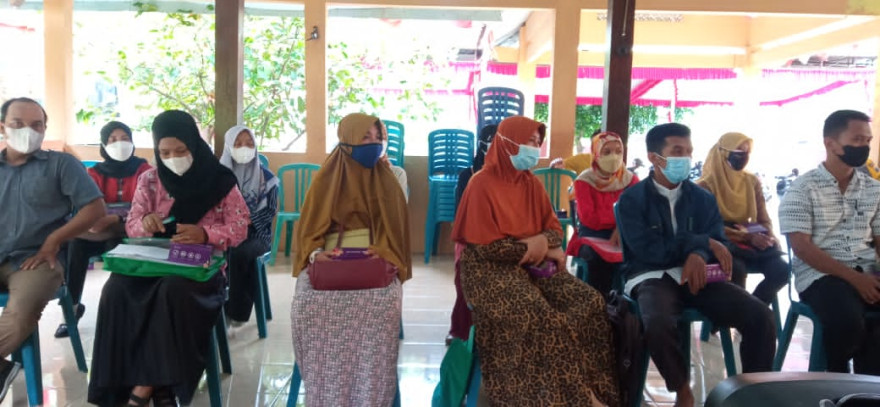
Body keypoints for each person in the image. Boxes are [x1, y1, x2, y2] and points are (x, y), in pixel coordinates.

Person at [453, 116, 618, 406]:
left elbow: (554, 230)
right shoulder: (481, 184)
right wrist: (537, 245)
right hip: (489, 271)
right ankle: (578, 399)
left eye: (537, 142)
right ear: (507, 143)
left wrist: (541, 244)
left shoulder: (530, 183)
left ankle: (595, 390)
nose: (534, 148)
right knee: (539, 314)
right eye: (528, 141)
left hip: (534, 266)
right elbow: (488, 248)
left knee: (589, 302)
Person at [88, 110, 249, 406]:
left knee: (171, 292)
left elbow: (240, 228)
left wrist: (205, 234)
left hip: (200, 270)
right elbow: (132, 223)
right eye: (164, 153)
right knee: (115, 290)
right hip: (152, 262)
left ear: (194, 145)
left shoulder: (220, 180)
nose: (173, 158)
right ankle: (122, 386)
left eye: (180, 150)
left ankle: (148, 387)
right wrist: (145, 222)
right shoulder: (150, 180)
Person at [616, 123, 776, 407]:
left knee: (760, 315)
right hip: (651, 275)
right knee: (657, 321)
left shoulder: (702, 198)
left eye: (689, 152)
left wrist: (700, 252)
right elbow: (649, 251)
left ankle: (755, 394)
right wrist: (700, 243)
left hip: (699, 275)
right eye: (677, 151)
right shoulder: (632, 200)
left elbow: (720, 242)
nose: (685, 158)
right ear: (654, 157)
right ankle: (682, 390)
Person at [292, 113, 411, 407]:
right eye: (365, 137)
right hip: (330, 260)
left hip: (374, 261)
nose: (374, 144)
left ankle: (371, 391)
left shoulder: (388, 179)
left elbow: (396, 231)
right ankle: (325, 388)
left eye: (378, 138)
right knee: (306, 303)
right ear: (347, 141)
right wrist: (317, 254)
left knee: (383, 302)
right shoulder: (326, 179)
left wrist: (384, 250)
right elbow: (309, 231)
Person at [0, 97, 106, 402]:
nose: (28, 131)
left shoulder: (61, 165)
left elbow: (95, 208)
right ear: (3, 127)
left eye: (37, 125)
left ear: (45, 128)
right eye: (18, 124)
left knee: (21, 313)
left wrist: (54, 240)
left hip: (38, 259)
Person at [779, 109, 880, 375]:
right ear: (830, 144)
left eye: (868, 140)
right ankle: (836, 377)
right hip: (821, 275)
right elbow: (802, 248)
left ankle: (869, 387)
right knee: (847, 322)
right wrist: (855, 279)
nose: (864, 146)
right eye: (857, 139)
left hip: (868, 271)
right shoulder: (802, 189)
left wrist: (869, 276)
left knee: (873, 331)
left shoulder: (874, 189)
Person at [57, 121, 152, 338]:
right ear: (103, 145)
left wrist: (114, 217)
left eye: (125, 139)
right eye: (113, 140)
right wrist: (100, 219)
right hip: (101, 229)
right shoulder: (94, 173)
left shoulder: (145, 171)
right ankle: (71, 309)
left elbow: (147, 206)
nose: (120, 144)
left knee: (115, 245)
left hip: (134, 230)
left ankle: (123, 311)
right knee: (76, 245)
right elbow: (87, 204)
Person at [697, 132, 788, 306]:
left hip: (751, 235)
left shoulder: (751, 181)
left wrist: (769, 236)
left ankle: (755, 310)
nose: (744, 156)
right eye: (739, 151)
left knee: (782, 270)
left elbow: (763, 218)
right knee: (735, 270)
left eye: (747, 152)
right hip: (721, 240)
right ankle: (742, 314)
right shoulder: (705, 185)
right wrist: (747, 237)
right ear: (724, 153)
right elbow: (707, 227)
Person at [218, 125, 279, 327]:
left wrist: (247, 220)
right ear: (228, 146)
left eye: (249, 143)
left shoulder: (268, 179)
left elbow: (270, 211)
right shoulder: (217, 177)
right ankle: (214, 307)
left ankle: (236, 312)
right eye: (237, 143)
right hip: (223, 231)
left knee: (240, 253)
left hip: (256, 234)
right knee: (212, 251)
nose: (244, 147)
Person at [568, 131, 639, 295]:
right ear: (596, 153)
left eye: (618, 152)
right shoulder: (584, 180)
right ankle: (599, 302)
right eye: (607, 152)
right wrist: (620, 220)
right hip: (592, 234)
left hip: (624, 234)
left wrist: (621, 228)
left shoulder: (630, 179)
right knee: (596, 258)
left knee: (639, 256)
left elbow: (638, 211)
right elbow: (589, 218)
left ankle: (625, 303)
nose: (614, 157)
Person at [445, 123, 496, 345]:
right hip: (470, 237)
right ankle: (460, 330)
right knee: (466, 278)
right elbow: (461, 214)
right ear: (481, 144)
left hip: (503, 239)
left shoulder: (513, 176)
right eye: (491, 140)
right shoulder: (468, 174)